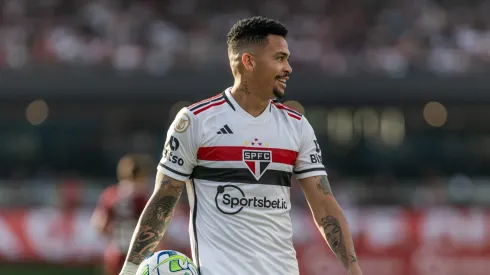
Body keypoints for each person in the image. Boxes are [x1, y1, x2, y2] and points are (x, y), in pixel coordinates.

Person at [119, 16, 363, 275]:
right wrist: (130, 268)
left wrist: (353, 268)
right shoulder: (195, 122)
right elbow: (163, 201)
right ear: (248, 61)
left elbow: (324, 205)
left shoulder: (296, 126)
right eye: (279, 58)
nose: (288, 67)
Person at [92, 154, 154, 275]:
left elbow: (100, 226)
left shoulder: (110, 194)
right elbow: (154, 226)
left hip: (115, 252)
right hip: (139, 254)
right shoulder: (143, 196)